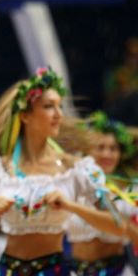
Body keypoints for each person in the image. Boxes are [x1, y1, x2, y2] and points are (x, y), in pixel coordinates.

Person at [0, 68, 133, 275]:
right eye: (48, 107)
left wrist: (72, 206)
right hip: (6, 270)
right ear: (25, 115)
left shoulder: (76, 169)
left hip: (54, 270)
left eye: (59, 107)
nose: (59, 115)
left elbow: (119, 226)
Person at [67, 111, 138, 275]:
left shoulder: (130, 192)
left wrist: (125, 226)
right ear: (86, 151)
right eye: (100, 147)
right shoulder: (72, 186)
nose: (107, 154)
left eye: (113, 149)